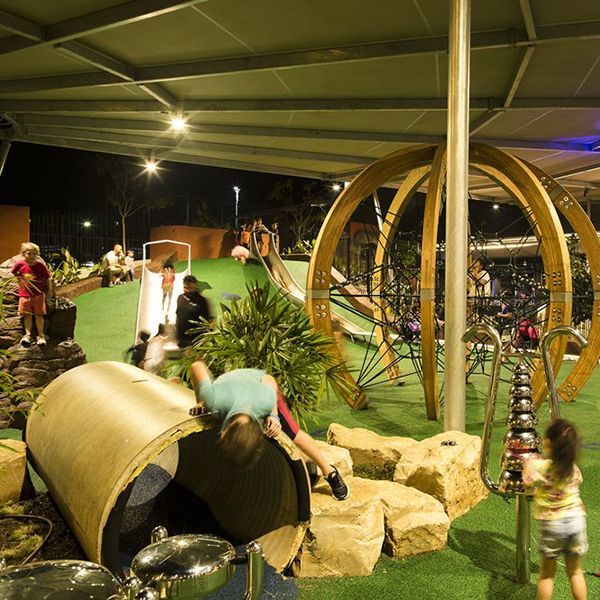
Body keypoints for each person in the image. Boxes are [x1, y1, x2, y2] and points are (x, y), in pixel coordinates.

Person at [189, 360, 349, 500]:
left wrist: (273, 415)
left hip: (262, 385)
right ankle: (310, 466)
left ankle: (329, 472)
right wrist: (201, 401)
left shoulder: (264, 401)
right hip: (233, 386)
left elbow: (268, 379)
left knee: (294, 435)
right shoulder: (213, 399)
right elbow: (197, 366)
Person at [523, 419, 587, 600]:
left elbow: (528, 479)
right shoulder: (574, 470)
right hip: (576, 522)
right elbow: (578, 482)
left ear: (548, 444)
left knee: (547, 575)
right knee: (575, 572)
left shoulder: (541, 467)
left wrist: (529, 460)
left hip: (553, 525)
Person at [11, 242, 51, 347]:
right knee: (27, 315)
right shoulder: (20, 264)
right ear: (23, 254)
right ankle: (28, 335)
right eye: (29, 253)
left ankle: (41, 335)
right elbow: (14, 272)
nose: (32, 256)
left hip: (38, 295)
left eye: (34, 254)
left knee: (39, 315)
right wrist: (19, 277)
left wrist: (49, 291)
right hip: (24, 295)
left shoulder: (41, 266)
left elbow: (47, 278)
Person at [175, 275, 213, 348]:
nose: (188, 290)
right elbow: (178, 315)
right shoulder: (180, 298)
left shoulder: (202, 301)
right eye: (186, 288)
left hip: (196, 341)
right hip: (182, 340)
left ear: (195, 286)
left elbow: (209, 321)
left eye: (191, 288)